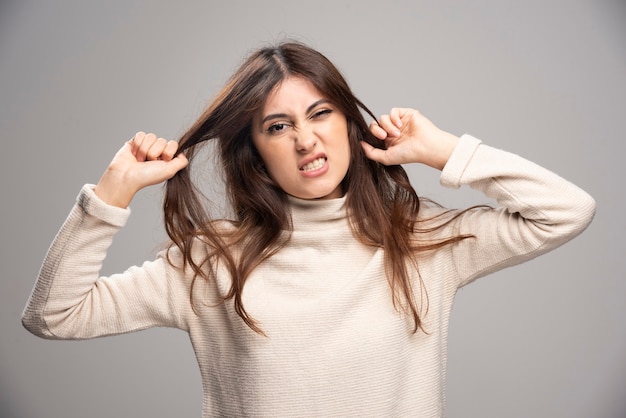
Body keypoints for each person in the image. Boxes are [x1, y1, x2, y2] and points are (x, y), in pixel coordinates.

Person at [22, 41, 596, 417]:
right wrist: (111, 194)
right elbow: (53, 315)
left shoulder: (418, 240)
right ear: (255, 153)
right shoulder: (214, 260)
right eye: (279, 126)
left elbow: (567, 210)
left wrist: (444, 151)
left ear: (348, 123)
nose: (306, 139)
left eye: (321, 114)